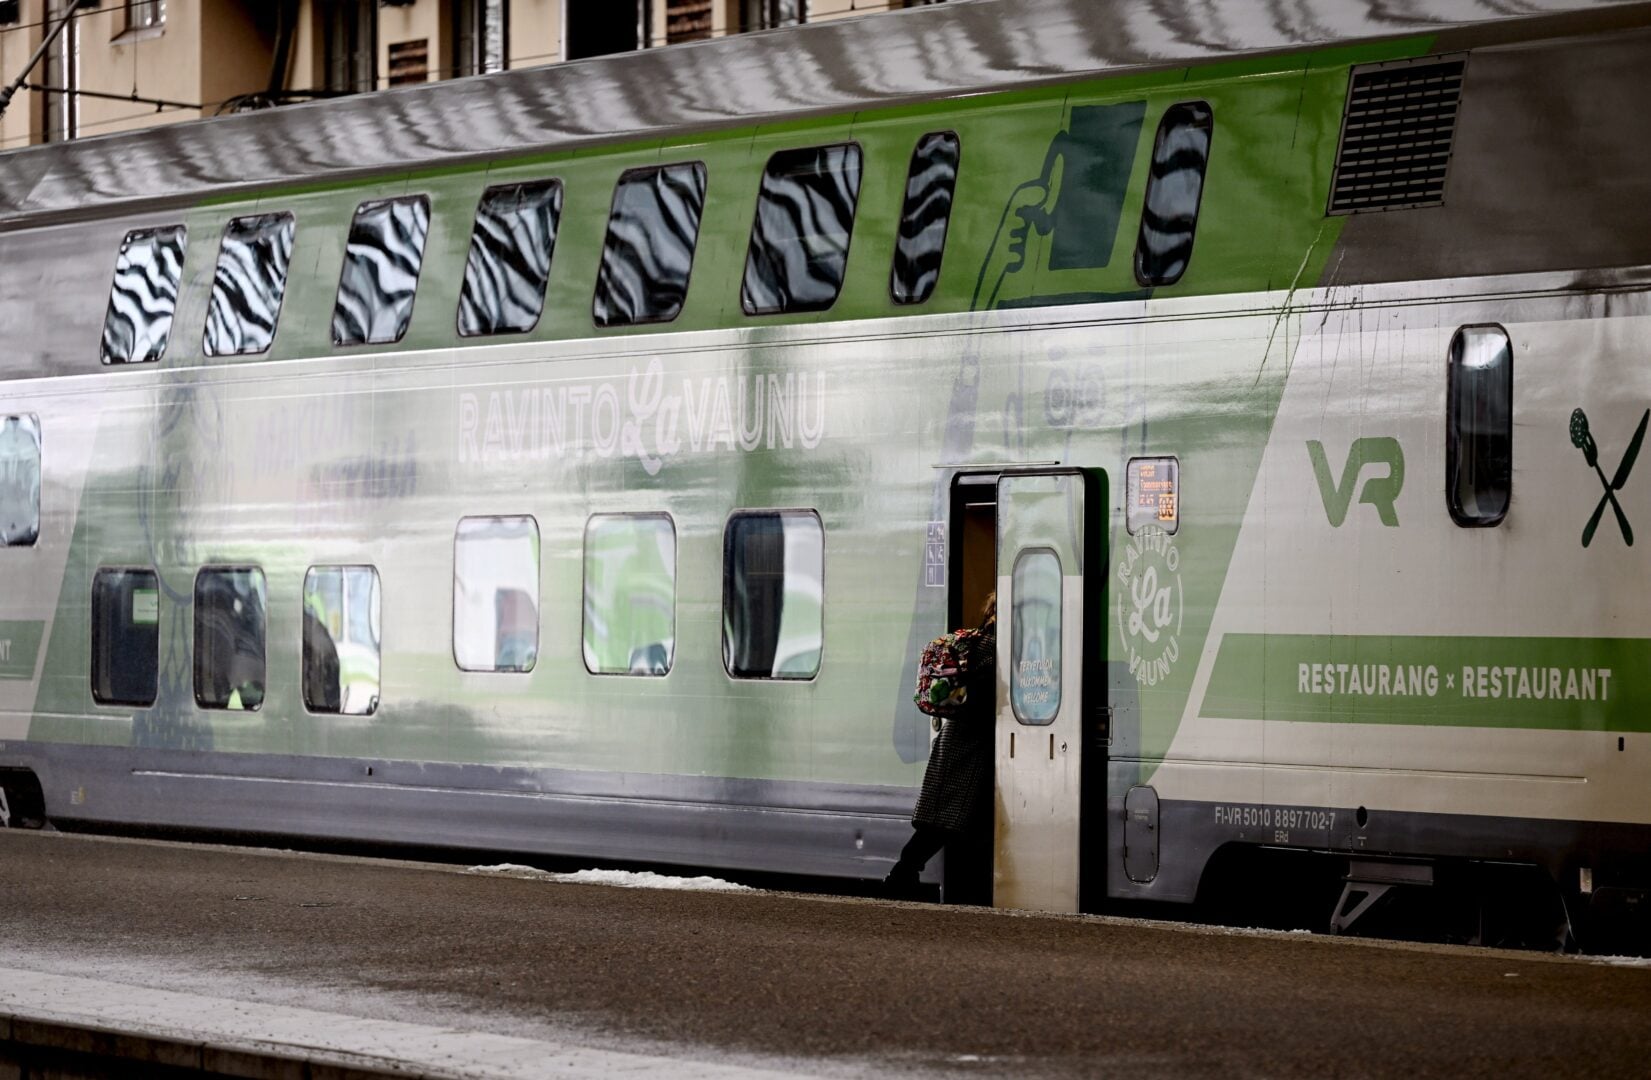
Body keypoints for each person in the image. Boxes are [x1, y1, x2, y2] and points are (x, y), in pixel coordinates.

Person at [884, 592, 997, 899]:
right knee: (945, 821)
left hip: (956, 738)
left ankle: (905, 875)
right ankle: (901, 876)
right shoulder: (992, 648)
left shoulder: (974, 642)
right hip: (970, 742)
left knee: (943, 819)